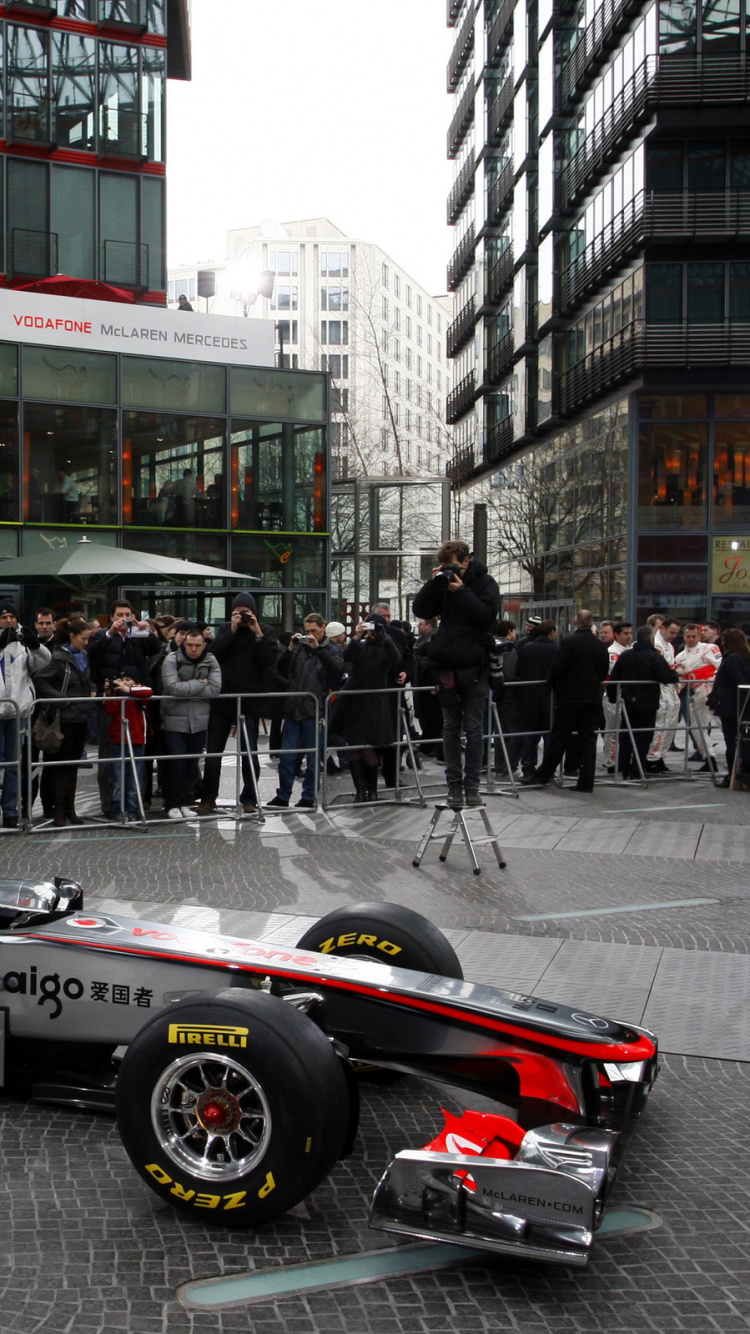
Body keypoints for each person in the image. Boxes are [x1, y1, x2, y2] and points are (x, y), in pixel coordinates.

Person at [412, 539, 501, 807]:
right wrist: (434, 582)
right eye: (443, 565)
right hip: (447, 662)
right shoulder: (442, 582)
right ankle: (454, 785)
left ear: (465, 561)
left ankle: (472, 785)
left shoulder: (485, 583)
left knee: (473, 727)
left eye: (451, 564)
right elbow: (421, 610)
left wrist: (461, 591)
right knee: (450, 726)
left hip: (473, 664)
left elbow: (486, 616)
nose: (448, 569)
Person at [196, 592, 280, 816]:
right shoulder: (225, 630)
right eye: (238, 612)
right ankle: (208, 798)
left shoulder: (266, 631)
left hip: (250, 701)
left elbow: (269, 662)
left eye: (247, 612)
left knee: (249, 753)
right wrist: (232, 631)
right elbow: (213, 654)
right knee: (214, 752)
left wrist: (258, 633)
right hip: (223, 700)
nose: (243, 616)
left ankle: (250, 798)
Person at [521, 610, 609, 793]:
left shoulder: (569, 642)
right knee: (588, 740)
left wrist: (552, 683)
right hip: (592, 697)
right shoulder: (600, 645)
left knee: (559, 737)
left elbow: (558, 668)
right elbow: (603, 671)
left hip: (569, 698)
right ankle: (586, 781)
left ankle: (544, 774)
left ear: (576, 622)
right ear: (591, 623)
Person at [89, 600, 161, 817]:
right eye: (120, 615)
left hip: (135, 699)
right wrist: (110, 633)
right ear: (111, 617)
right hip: (110, 700)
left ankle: (135, 804)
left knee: (137, 756)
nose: (124, 619)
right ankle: (110, 806)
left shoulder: (136, 636)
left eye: (128, 614)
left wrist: (147, 632)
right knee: (109, 754)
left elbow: (155, 649)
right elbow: (92, 654)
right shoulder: (102, 635)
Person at [267, 614, 343, 809]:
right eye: (307, 631)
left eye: (314, 631)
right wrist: (291, 649)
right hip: (294, 708)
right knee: (288, 756)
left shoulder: (332, 649)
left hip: (314, 709)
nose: (310, 635)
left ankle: (309, 796)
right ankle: (283, 796)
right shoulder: (299, 649)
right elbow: (280, 670)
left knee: (313, 757)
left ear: (323, 628)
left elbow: (336, 671)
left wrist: (318, 650)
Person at [329, 614, 401, 801]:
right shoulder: (360, 646)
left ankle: (373, 790)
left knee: (368, 747)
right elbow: (346, 658)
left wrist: (384, 637)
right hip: (354, 700)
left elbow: (396, 659)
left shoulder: (386, 647)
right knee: (354, 747)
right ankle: (360, 791)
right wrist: (357, 636)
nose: (371, 631)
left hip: (374, 702)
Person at [34, 617, 95, 826]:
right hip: (64, 719)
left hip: (81, 717)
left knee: (73, 766)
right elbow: (40, 680)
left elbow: (86, 679)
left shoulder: (83, 655)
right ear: (72, 636)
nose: (86, 642)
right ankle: (58, 810)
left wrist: (93, 688)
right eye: (84, 638)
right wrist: (62, 700)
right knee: (61, 766)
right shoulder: (59, 658)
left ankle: (70, 809)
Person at [160, 626, 221, 819]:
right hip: (174, 720)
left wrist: (185, 686)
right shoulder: (172, 659)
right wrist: (200, 683)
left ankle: (187, 801)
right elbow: (172, 688)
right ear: (183, 644)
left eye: (197, 645)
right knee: (176, 762)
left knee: (191, 764)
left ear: (204, 646)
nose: (193, 649)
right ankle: (172, 803)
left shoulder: (211, 660)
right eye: (189, 645)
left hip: (200, 720)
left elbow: (215, 690)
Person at [0, 602, 51, 827]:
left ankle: (10, 811)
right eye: (4, 617)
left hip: (17, 709)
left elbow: (44, 663)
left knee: (14, 764)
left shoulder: (23, 643)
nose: (9, 621)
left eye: (12, 616)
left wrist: (36, 644)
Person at [609, 626, 681, 779]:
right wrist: (675, 673)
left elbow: (614, 677)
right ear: (651, 639)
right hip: (648, 702)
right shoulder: (654, 656)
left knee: (626, 735)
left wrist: (612, 697)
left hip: (629, 701)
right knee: (644, 738)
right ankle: (637, 769)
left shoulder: (626, 655)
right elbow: (667, 676)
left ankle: (623, 768)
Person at [104, 665, 152, 821]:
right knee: (117, 779)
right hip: (118, 740)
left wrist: (128, 690)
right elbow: (109, 710)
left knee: (134, 779)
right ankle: (117, 810)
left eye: (128, 680)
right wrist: (110, 692)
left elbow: (148, 692)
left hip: (137, 740)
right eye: (122, 680)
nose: (124, 683)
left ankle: (132, 810)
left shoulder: (140, 692)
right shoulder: (117, 695)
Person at [674, 623, 722, 772]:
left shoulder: (709, 648)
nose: (690, 639)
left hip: (713, 691)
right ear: (684, 636)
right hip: (696, 695)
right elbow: (680, 682)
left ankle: (740, 755)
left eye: (694, 636)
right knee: (696, 727)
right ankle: (709, 758)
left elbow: (720, 666)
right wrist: (678, 673)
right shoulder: (680, 656)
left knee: (723, 723)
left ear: (699, 636)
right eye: (688, 636)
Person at [516, 619, 558, 779]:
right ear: (552, 632)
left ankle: (528, 768)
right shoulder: (556, 649)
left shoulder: (527, 648)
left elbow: (519, 670)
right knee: (549, 735)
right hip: (549, 696)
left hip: (529, 696)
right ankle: (548, 769)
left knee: (530, 735)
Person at [708, 629, 750, 786]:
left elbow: (737, 681)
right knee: (740, 741)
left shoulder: (732, 659)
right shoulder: (745, 658)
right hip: (742, 707)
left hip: (732, 707)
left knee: (731, 742)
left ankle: (732, 776)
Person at [646, 615, 681, 771]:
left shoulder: (669, 646)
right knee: (659, 724)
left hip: (670, 688)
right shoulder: (656, 644)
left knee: (670, 725)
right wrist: (675, 671)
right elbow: (661, 669)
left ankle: (660, 755)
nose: (674, 636)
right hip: (660, 688)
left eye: (676, 633)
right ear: (663, 629)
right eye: (672, 632)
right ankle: (651, 758)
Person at [601, 621, 633, 772]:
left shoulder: (630, 650)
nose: (628, 636)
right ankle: (611, 762)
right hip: (613, 696)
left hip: (627, 696)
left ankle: (623, 760)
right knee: (612, 730)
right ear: (617, 635)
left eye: (630, 633)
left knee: (625, 731)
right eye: (625, 633)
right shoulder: (612, 652)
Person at [412, 617, 444, 760]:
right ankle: (429, 744)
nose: (418, 626)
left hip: (429, 686)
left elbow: (432, 664)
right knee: (426, 717)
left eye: (421, 623)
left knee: (434, 718)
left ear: (429, 625)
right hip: (423, 686)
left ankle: (435, 747)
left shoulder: (432, 640)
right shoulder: (421, 641)